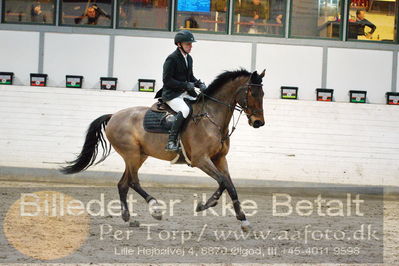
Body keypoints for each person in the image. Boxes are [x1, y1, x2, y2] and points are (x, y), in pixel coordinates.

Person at [156, 30, 206, 151]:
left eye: (191, 44)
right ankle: (171, 141)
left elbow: (190, 77)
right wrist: (185, 84)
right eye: (188, 44)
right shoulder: (171, 59)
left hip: (184, 93)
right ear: (179, 44)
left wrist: (199, 84)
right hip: (172, 95)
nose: (190, 46)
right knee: (185, 110)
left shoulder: (189, 58)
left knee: (201, 104)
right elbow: (167, 80)